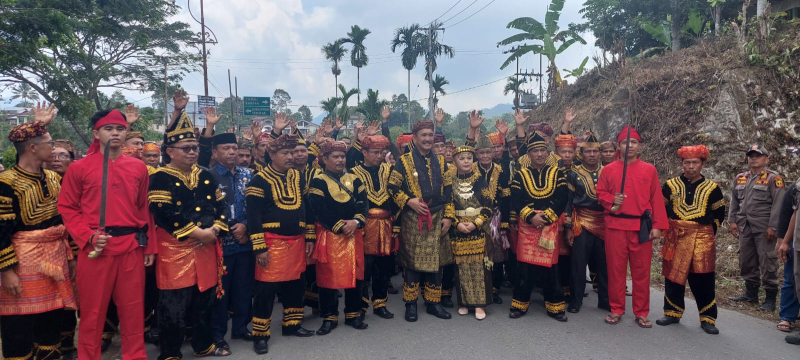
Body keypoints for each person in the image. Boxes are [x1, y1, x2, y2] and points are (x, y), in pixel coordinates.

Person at [57, 106, 158, 360]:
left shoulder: (138, 168)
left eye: (120, 129)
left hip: (131, 247)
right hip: (96, 249)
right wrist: (87, 236)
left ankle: (135, 356)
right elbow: (67, 207)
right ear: (96, 133)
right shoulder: (79, 168)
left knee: (133, 311)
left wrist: (150, 247)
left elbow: (144, 208)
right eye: (108, 128)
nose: (115, 133)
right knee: (92, 312)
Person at [148, 109, 231, 358]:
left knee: (204, 301)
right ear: (170, 151)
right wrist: (197, 233)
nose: (193, 151)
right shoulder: (160, 177)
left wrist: (216, 229)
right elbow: (163, 213)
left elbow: (221, 206)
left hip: (206, 247)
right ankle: (171, 351)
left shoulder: (205, 174)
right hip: (175, 250)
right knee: (173, 305)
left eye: (194, 147)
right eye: (186, 148)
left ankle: (203, 345)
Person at [1, 104, 78, 360]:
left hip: (55, 260)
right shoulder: (7, 182)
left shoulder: (55, 179)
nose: (53, 148)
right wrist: (7, 271)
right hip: (21, 264)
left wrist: (72, 256)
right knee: (19, 328)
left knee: (51, 324)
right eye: (49, 142)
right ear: (32, 148)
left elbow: (68, 219)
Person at [245, 133, 316, 354]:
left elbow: (308, 207)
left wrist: (311, 236)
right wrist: (259, 248)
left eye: (293, 153)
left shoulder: (298, 176)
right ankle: (260, 334)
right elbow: (253, 218)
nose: (291, 157)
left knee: (296, 284)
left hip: (297, 241)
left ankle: (292, 325)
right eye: (286, 153)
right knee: (266, 290)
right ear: (272, 154)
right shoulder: (259, 180)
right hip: (271, 243)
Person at [596, 125, 668, 328]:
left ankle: (642, 311)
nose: (630, 146)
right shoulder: (608, 170)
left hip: (641, 227)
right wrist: (612, 199)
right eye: (626, 142)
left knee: (641, 271)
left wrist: (658, 226)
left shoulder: (649, 170)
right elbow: (600, 194)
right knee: (616, 270)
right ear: (619, 145)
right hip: (615, 226)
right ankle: (617, 308)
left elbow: (656, 200)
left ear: (640, 146)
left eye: (634, 142)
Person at [199, 108, 255, 351]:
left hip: (246, 243)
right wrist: (230, 229)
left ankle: (241, 328)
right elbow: (204, 212)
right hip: (221, 245)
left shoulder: (248, 174)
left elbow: (256, 208)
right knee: (220, 292)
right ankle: (218, 334)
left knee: (244, 289)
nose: (232, 153)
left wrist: (246, 227)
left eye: (234, 149)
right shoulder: (207, 176)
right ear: (214, 153)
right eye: (226, 149)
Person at [387, 119, 455, 322]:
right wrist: (408, 201)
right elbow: (392, 188)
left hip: (437, 217)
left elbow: (449, 192)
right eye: (423, 135)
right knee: (413, 263)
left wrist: (449, 217)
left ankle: (433, 303)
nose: (427, 139)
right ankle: (411, 304)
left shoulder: (442, 162)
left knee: (435, 262)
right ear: (415, 138)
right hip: (413, 218)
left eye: (430, 135)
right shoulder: (403, 161)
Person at [655, 145, 725, 335]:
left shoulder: (712, 188)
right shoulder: (670, 185)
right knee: (673, 276)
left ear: (703, 164)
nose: (691, 166)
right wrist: (667, 230)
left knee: (703, 278)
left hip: (702, 238)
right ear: (682, 164)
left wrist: (709, 232)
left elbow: (719, 213)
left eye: (695, 163)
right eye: (687, 163)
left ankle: (708, 318)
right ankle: (672, 312)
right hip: (675, 236)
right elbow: (661, 209)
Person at [308, 140, 370, 335]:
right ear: (324, 159)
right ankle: (329, 317)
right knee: (328, 277)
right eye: (335, 156)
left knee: (356, 274)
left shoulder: (355, 179)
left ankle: (353, 314)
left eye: (342, 156)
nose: (340, 160)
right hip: (330, 235)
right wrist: (341, 226)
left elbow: (363, 204)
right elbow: (318, 210)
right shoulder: (318, 180)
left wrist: (356, 222)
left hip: (353, 234)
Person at [508, 132, 569, 322]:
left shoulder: (557, 173)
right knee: (525, 266)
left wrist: (548, 217)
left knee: (550, 267)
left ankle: (555, 305)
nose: (540, 154)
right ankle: (520, 304)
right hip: (528, 224)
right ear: (528, 155)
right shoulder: (520, 174)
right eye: (535, 151)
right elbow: (516, 200)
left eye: (543, 150)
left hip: (549, 225)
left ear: (547, 152)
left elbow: (562, 198)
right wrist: (531, 217)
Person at [727, 145, 786, 312]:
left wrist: (774, 226)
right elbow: (735, 201)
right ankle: (751, 294)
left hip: (764, 228)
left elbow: (779, 205)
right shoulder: (740, 178)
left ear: (766, 159)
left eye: (758, 156)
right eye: (751, 156)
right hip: (744, 226)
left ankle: (770, 299)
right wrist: (732, 220)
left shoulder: (773, 179)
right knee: (746, 260)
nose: (753, 158)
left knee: (768, 261)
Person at [350, 135, 397, 320]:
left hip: (386, 224)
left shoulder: (389, 169)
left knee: (384, 267)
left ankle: (380, 303)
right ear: (364, 153)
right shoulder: (353, 173)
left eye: (382, 152)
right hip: (365, 225)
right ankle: (361, 305)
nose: (379, 156)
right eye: (375, 152)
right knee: (364, 267)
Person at [563, 132, 610, 313]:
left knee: (604, 264)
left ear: (600, 154)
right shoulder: (574, 174)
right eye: (588, 152)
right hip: (581, 222)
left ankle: (605, 300)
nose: (592, 155)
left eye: (595, 151)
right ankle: (576, 300)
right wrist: (568, 228)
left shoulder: (607, 172)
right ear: (581, 155)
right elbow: (568, 202)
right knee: (578, 264)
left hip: (604, 222)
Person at [449, 145, 493, 320]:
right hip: (458, 230)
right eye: (461, 158)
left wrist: (476, 223)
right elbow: (448, 206)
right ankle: (464, 302)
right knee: (461, 268)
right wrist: (457, 224)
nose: (466, 161)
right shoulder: (450, 182)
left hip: (478, 229)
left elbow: (489, 206)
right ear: (454, 161)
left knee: (479, 268)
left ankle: (480, 304)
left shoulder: (480, 179)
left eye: (469, 158)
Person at [776, 176, 800, 335]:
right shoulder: (796, 187)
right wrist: (783, 241)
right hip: (796, 241)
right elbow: (789, 214)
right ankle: (787, 316)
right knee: (792, 278)